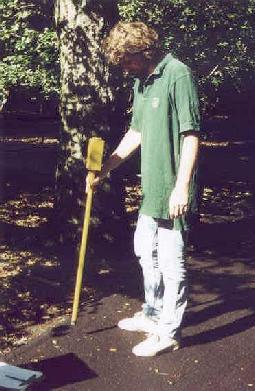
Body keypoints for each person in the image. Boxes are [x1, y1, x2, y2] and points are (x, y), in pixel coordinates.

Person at [87, 21, 200, 357]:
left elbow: (190, 135)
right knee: (144, 252)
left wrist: (182, 188)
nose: (125, 67)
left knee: (170, 260)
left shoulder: (178, 75)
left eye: (127, 60)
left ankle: (168, 331)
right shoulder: (140, 83)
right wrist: (105, 170)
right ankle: (152, 314)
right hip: (151, 188)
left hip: (174, 187)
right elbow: (135, 134)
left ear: (142, 51)